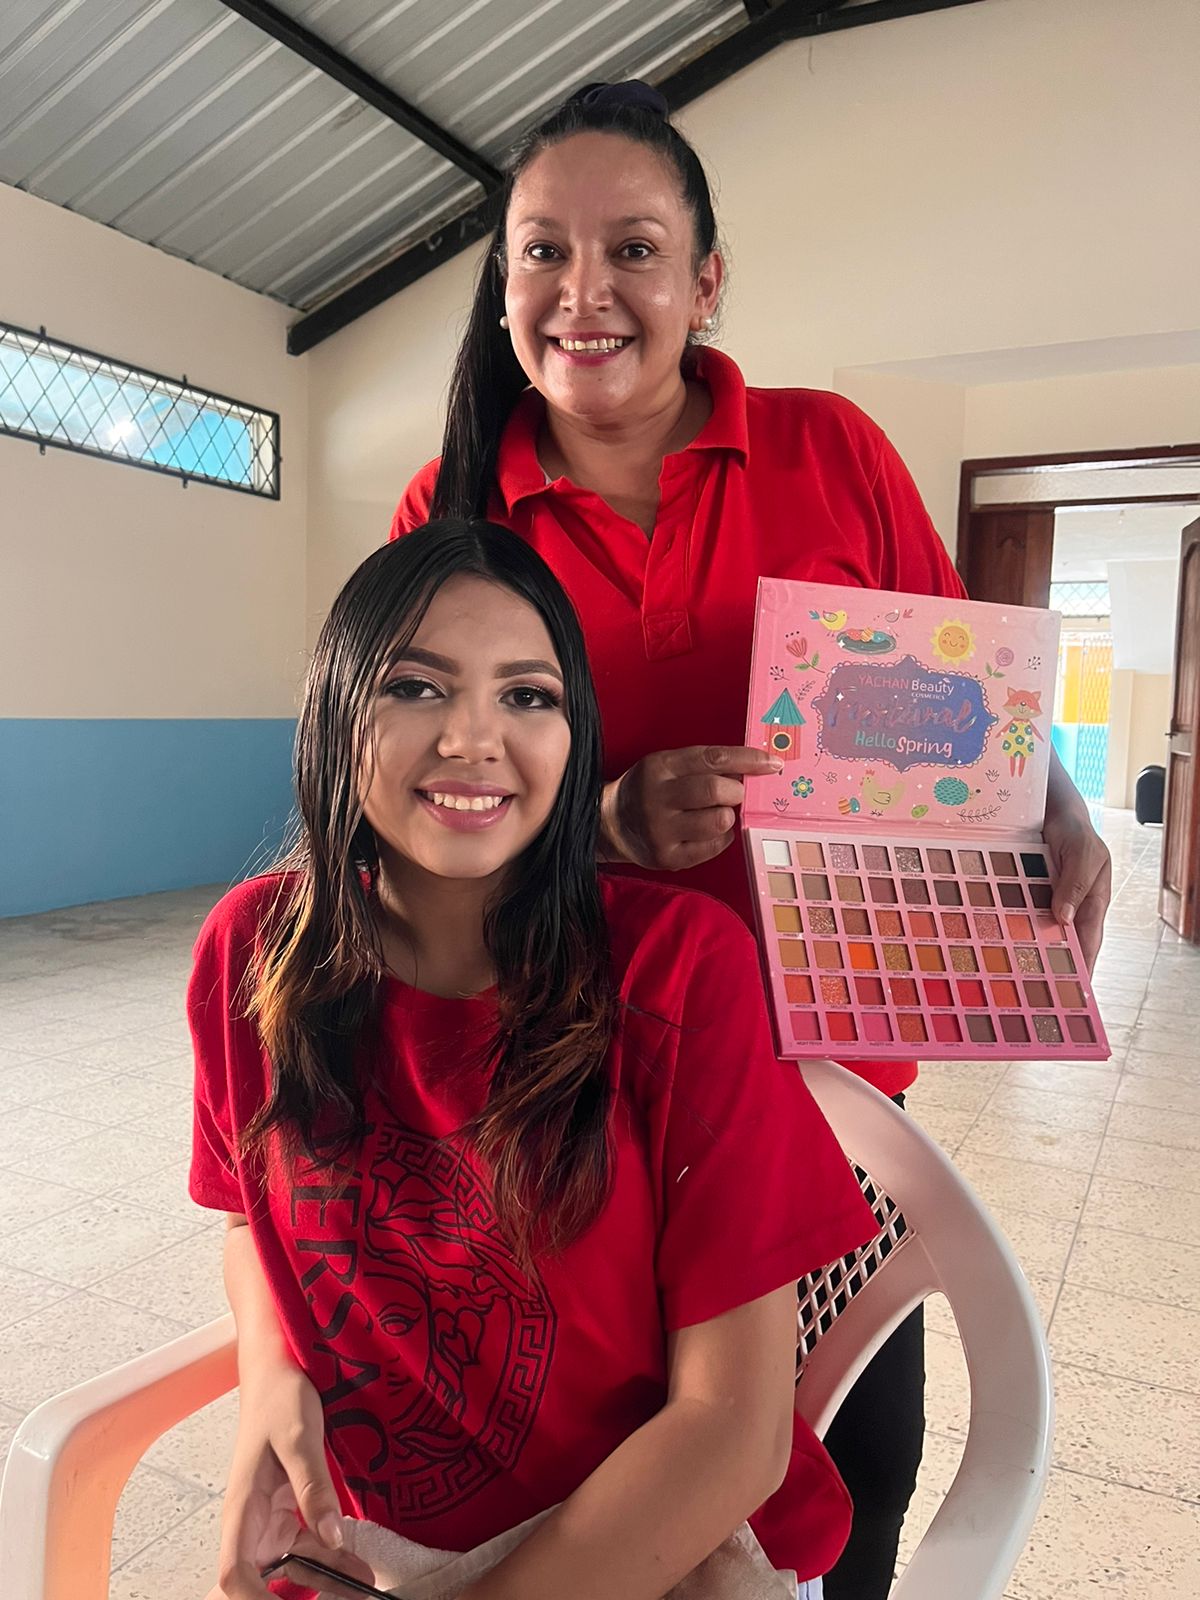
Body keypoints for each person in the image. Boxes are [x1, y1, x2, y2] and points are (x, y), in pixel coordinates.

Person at [390, 83, 1113, 1598]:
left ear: (706, 281)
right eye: (543, 252)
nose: (584, 292)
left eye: (634, 250)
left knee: (851, 1470)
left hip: (832, 1096)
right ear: (504, 282)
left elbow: (970, 698)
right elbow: (392, 816)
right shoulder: (448, 513)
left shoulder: (830, 450)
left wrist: (1058, 806)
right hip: (568, 1099)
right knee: (603, 1479)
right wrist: (602, 823)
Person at [191, 520, 877, 1600]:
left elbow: (732, 1430)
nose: (473, 738)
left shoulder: (679, 970)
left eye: (527, 695)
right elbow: (247, 1214)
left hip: (656, 1540)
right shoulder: (254, 952)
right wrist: (270, 1376)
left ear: (574, 737)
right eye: (415, 686)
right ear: (333, 716)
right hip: (366, 1541)